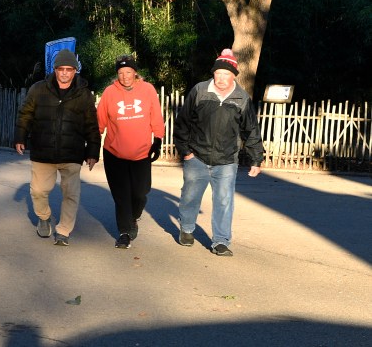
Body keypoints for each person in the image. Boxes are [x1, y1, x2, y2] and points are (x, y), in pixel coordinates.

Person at [173, 48, 263, 256]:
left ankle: (221, 241)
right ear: (213, 73)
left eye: (226, 74)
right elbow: (182, 123)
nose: (221, 78)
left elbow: (250, 129)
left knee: (224, 201)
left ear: (234, 75)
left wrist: (255, 159)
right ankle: (187, 229)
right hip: (197, 156)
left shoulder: (241, 98)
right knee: (190, 196)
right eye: (218, 73)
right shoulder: (200, 91)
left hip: (226, 160)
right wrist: (186, 152)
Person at [14, 49, 101, 246]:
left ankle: (64, 230)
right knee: (38, 190)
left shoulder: (84, 95)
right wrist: (20, 136)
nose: (64, 73)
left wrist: (93, 151)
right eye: (60, 69)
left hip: (72, 152)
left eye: (68, 69)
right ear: (55, 70)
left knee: (71, 193)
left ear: (74, 71)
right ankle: (43, 217)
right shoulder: (38, 89)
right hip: (43, 151)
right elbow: (25, 114)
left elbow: (91, 125)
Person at [96, 55, 165, 249]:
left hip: (141, 153)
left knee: (140, 193)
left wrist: (158, 140)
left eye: (128, 72)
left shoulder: (148, 89)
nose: (125, 76)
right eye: (120, 73)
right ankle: (125, 232)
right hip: (114, 153)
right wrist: (93, 144)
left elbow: (156, 116)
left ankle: (134, 216)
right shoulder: (110, 92)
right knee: (121, 195)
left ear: (135, 72)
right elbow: (100, 120)